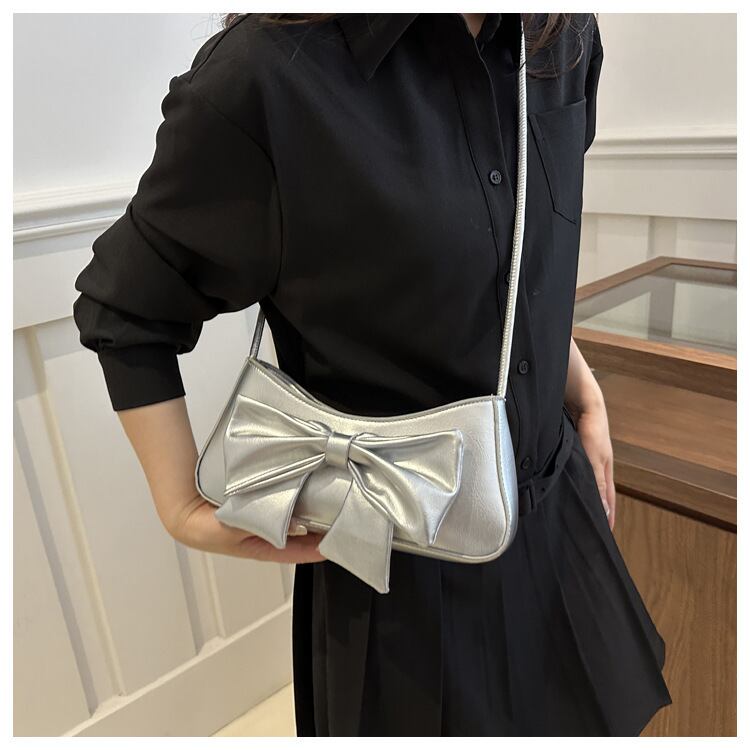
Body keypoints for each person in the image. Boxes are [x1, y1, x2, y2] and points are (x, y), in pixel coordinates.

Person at [72, 12, 673, 736]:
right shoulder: (270, 74)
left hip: (558, 520)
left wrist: (583, 390)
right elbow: (125, 308)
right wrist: (180, 505)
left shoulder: (563, 38)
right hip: (401, 579)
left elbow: (512, 246)